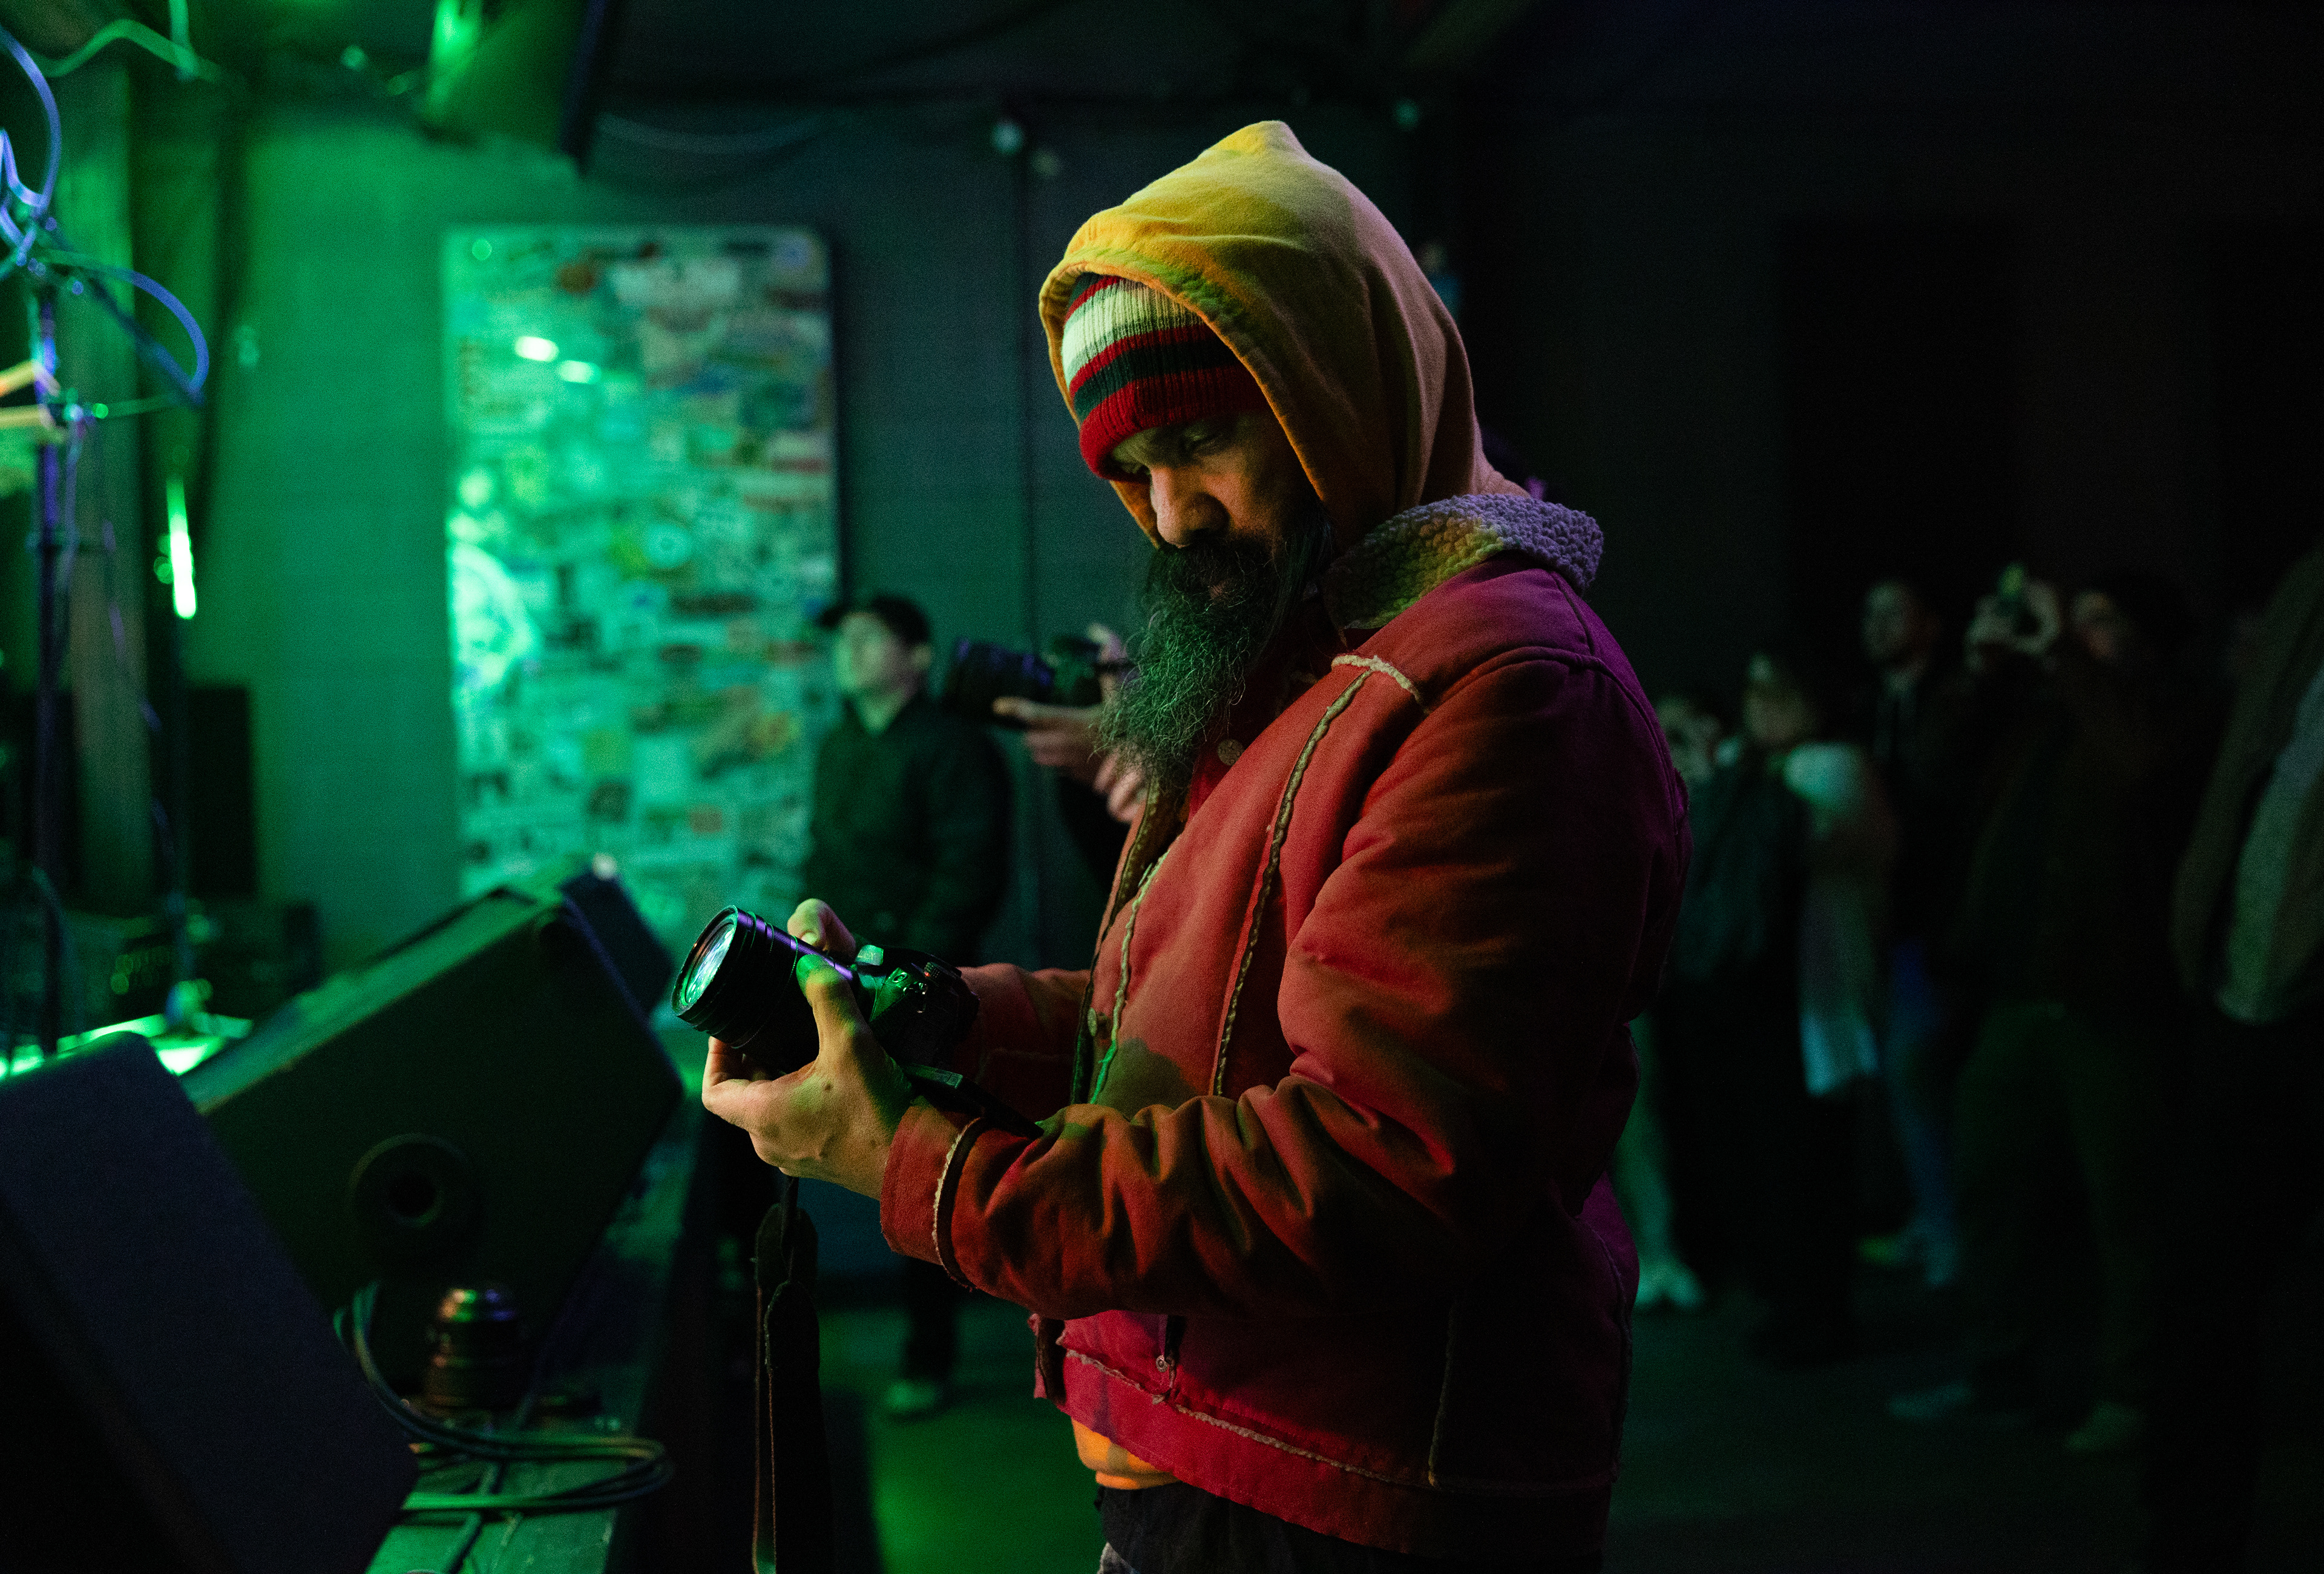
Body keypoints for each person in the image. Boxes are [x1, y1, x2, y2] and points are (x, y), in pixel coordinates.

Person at [701, 122, 1687, 1573]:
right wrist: (939, 1018)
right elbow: (1188, 1031)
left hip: (1340, 1487)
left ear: (1334, 391)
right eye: (1131, 470)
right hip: (1232, 1447)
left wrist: (917, 1164)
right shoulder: (1325, 651)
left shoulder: (1501, 683)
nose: (1171, 517)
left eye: (1200, 442)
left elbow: (1374, 1165)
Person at [1891, 567, 2213, 1455]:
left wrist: (2063, 652)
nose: (2077, 632)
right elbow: (1935, 765)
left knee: (2128, 1210)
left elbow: (2141, 766)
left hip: (2116, 1000)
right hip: (2017, 995)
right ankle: (2000, 1375)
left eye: (2101, 619)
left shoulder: (2171, 711)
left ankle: (2134, 1392)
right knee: (1992, 1191)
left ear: (2148, 636)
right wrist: (1983, 669)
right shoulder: (2045, 712)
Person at [2141, 533, 2324, 1572]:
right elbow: (2252, 780)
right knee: (2201, 1294)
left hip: (2281, 999)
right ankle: (2191, 1538)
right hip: (2238, 995)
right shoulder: (2308, 589)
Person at [802, 592, 1012, 1420]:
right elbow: (825, 861)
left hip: (924, 990)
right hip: (842, 982)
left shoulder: (954, 748)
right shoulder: (839, 745)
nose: (848, 650)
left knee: (927, 1163)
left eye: (869, 637)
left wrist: (900, 975)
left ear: (918, 658)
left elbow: (968, 872)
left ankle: (931, 1356)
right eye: (843, 639)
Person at [1656, 645, 1888, 1367]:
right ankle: (1787, 1299)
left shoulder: (1832, 767)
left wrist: (1722, 774)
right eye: (1753, 687)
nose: (1761, 702)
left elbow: (1808, 840)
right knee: (1753, 1155)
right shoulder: (1755, 770)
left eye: (1778, 688)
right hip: (1747, 991)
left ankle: (1816, 1310)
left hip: (1807, 996)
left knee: (1801, 1161)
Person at [1855, 578, 1969, 1287]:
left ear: (1930, 622)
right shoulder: (1868, 709)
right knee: (1905, 1080)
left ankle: (1950, 1226)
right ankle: (1932, 1216)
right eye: (1870, 612)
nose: (1876, 624)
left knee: (1920, 1071)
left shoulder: (1953, 704)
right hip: (1887, 918)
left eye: (1893, 611)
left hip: (1934, 918)